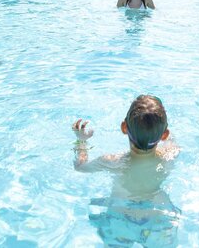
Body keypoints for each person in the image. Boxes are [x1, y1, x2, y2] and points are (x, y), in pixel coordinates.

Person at [72, 95, 180, 244]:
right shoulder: (170, 155)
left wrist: (81, 141)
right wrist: (159, 125)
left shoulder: (111, 162)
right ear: (164, 135)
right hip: (157, 218)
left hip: (120, 219)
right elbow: (171, 139)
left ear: (124, 127)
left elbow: (80, 167)